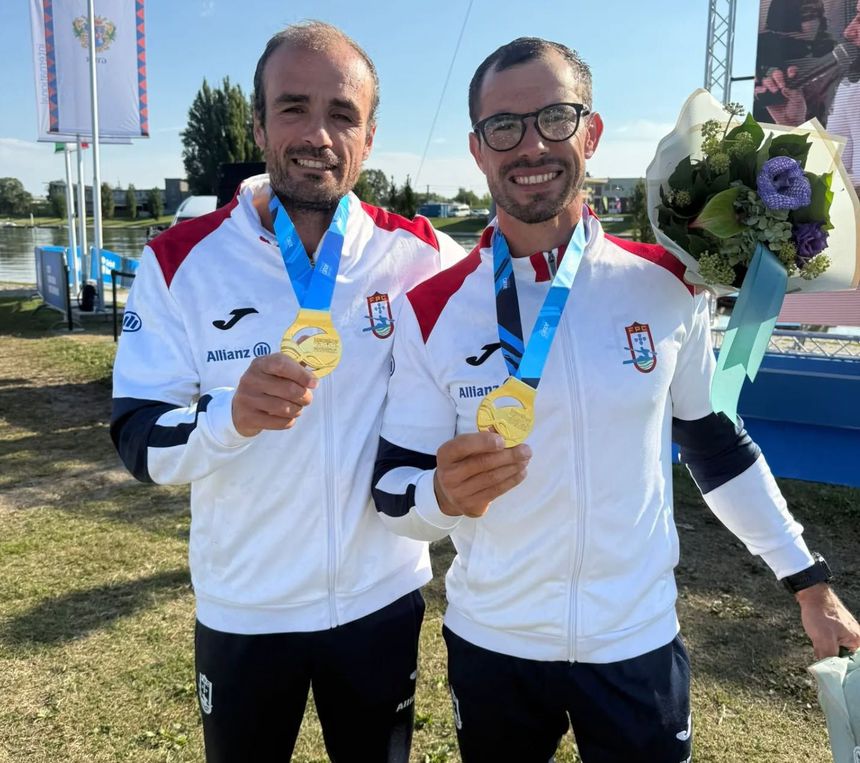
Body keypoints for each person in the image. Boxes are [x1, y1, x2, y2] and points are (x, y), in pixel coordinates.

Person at [372, 37, 860, 762]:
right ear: (477, 149)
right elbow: (392, 488)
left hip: (636, 641)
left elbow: (716, 447)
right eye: (504, 126)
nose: (531, 145)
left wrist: (809, 583)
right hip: (495, 644)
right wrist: (441, 496)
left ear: (592, 132)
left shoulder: (668, 283)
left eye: (555, 118)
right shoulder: (430, 309)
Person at [111, 21, 464, 762]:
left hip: (379, 599)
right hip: (245, 607)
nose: (317, 135)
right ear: (259, 124)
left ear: (369, 137)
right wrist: (228, 418)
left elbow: (530, 291)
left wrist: (692, 264)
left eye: (342, 114)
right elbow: (139, 438)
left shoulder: (422, 255)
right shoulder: (179, 260)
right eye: (293, 108)